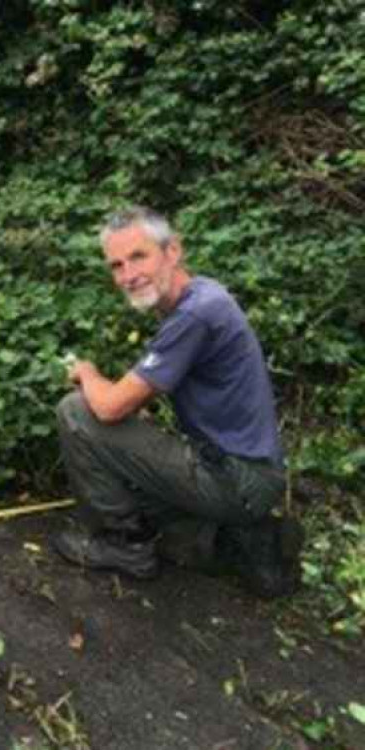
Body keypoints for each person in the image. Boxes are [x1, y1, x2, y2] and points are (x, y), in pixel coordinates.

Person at [51, 206, 302, 599]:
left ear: (173, 251)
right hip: (248, 474)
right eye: (116, 265)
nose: (128, 275)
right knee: (126, 467)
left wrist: (87, 373)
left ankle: (125, 545)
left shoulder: (195, 315)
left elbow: (109, 407)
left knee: (76, 411)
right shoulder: (203, 296)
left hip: (236, 479)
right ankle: (232, 542)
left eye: (138, 256)